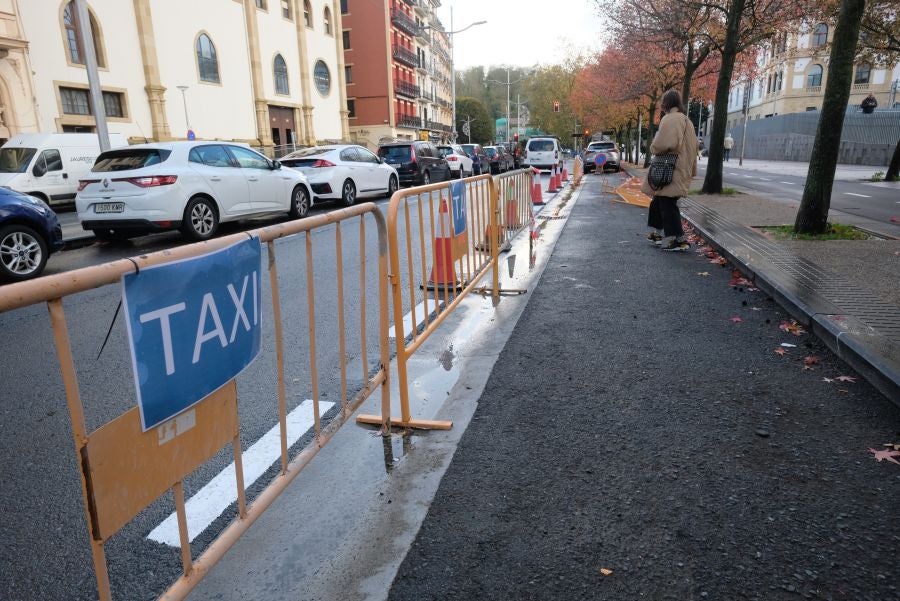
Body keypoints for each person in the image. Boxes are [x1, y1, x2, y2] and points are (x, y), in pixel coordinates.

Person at [641, 89, 698, 252]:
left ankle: (677, 240)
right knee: (659, 201)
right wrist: (691, 170)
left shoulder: (670, 119)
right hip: (680, 167)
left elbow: (664, 144)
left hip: (670, 169)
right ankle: (658, 233)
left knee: (667, 203)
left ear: (666, 103)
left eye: (662, 102)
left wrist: (652, 147)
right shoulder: (686, 120)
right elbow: (693, 148)